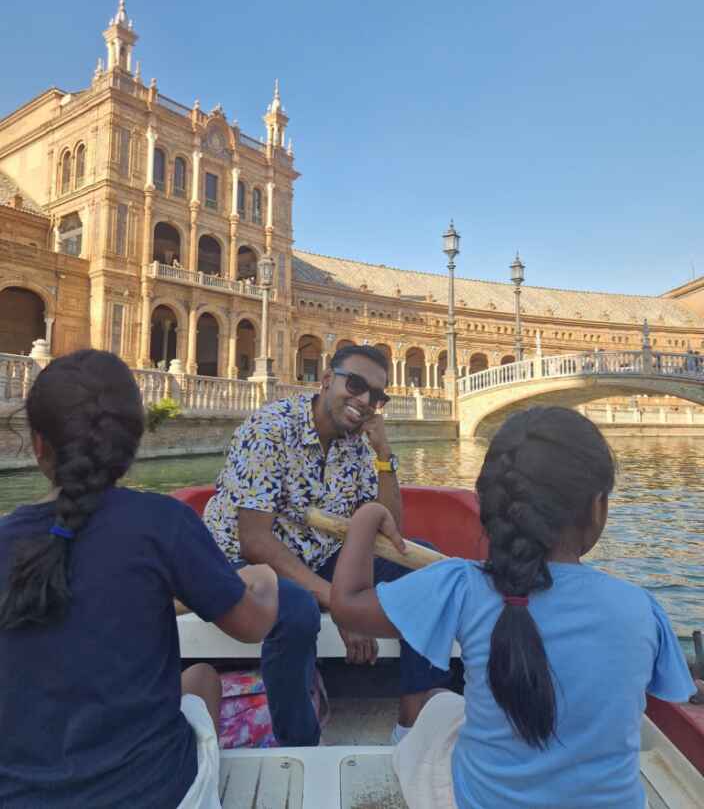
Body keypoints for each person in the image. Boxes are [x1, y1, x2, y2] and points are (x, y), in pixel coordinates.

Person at [330, 406, 695, 809]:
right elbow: (674, 691)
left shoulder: (460, 585)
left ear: (489, 505)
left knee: (438, 705)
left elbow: (346, 605)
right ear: (598, 509)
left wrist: (366, 518)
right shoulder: (642, 607)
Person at [0, 350, 278, 809]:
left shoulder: (7, 535)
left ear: (38, 445)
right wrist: (263, 579)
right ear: (133, 444)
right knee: (203, 677)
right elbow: (252, 626)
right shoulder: (162, 523)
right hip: (149, 792)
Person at [204, 344, 451, 747]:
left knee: (423, 573)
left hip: (318, 557)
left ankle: (411, 721)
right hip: (241, 567)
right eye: (355, 385)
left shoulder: (356, 445)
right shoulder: (268, 429)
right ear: (325, 381)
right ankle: (299, 745)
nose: (365, 401)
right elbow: (255, 542)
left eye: (377, 395)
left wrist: (384, 455)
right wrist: (341, 604)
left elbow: (392, 535)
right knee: (298, 610)